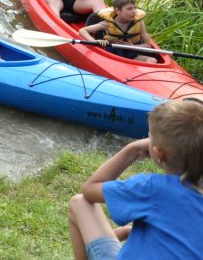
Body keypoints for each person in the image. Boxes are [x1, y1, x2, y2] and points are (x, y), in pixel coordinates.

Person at [68, 100, 203, 260]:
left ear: (158, 153)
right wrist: (128, 231)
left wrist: (132, 149)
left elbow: (90, 189)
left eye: (149, 135)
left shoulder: (152, 188)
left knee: (79, 203)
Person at [78, 0, 156, 63]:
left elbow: (147, 45)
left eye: (134, 7)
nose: (134, 11)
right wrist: (94, 41)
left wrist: (131, 46)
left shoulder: (139, 22)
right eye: (129, 9)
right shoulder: (108, 23)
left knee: (152, 60)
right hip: (111, 57)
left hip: (133, 56)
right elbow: (82, 30)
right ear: (118, 11)